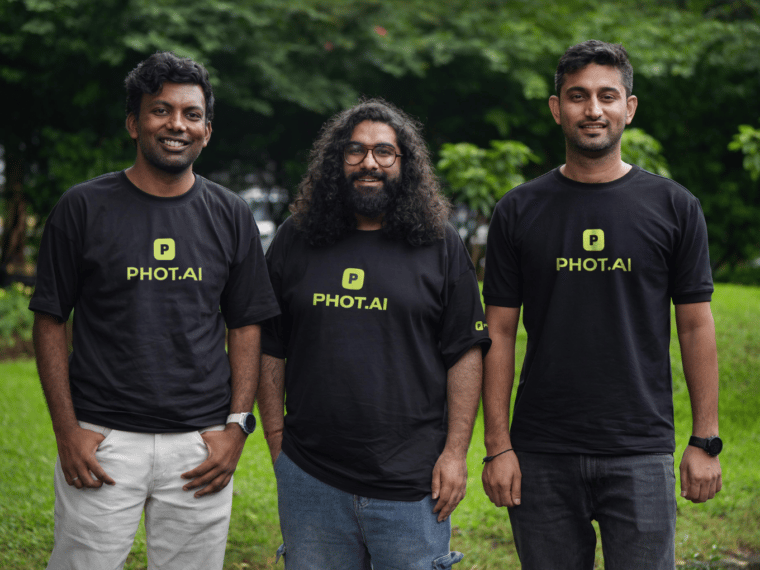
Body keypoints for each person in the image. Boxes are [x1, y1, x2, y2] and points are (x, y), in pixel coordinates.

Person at [29, 51, 280, 570]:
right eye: (160, 110)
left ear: (207, 131)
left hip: (199, 445)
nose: (176, 125)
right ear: (133, 123)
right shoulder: (82, 207)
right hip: (103, 439)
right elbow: (50, 320)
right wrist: (67, 430)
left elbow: (246, 325)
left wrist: (236, 428)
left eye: (192, 114)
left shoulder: (231, 214)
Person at [481, 40, 721, 570]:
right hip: (541, 450)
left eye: (607, 96)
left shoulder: (674, 207)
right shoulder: (518, 210)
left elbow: (695, 327)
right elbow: (497, 333)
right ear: (556, 108)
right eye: (578, 96)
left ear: (629, 107)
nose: (593, 109)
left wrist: (705, 439)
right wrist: (498, 446)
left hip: (640, 450)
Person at [257, 98, 491, 570]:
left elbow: (465, 351)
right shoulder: (295, 238)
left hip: (413, 482)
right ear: (336, 160)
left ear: (405, 163)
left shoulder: (439, 243)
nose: (370, 162)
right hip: (311, 477)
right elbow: (268, 345)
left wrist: (454, 453)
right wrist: (278, 441)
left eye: (384, 151)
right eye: (355, 150)